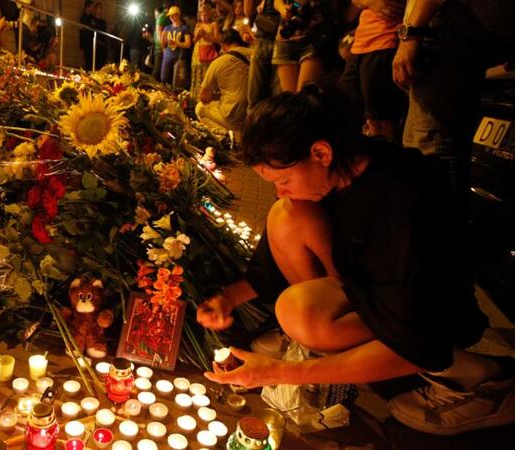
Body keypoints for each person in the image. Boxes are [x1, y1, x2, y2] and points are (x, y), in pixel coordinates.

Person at [197, 84, 515, 436]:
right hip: (371, 294)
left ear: (320, 152)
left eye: (284, 179)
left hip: (431, 318)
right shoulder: (343, 171)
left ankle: (483, 383)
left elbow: (415, 333)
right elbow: (272, 265)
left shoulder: (400, 203)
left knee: (298, 312)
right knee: (286, 214)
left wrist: (279, 372)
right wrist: (227, 299)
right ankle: (327, 351)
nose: (279, 189)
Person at [393, 0, 515, 196]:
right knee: (422, 148)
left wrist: (411, 35)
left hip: (455, 27)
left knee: (430, 151)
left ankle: (442, 224)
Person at [339, 0, 406, 142]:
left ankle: (384, 162)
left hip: (385, 41)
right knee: (346, 114)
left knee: (380, 121)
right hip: (360, 44)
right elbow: (350, 12)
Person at [195, 29, 250, 135]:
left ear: (223, 45)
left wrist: (218, 96)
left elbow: (204, 97)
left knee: (200, 108)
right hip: (258, 115)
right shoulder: (257, 55)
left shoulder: (219, 62)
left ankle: (228, 136)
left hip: (235, 118)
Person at [246, 0, 281, 109]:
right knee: (278, 96)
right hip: (279, 37)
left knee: (256, 95)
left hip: (276, 39)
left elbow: (248, 10)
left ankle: (255, 122)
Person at [191, 2, 221, 101]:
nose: (204, 15)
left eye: (206, 13)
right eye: (202, 13)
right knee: (198, 74)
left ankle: (208, 97)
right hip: (198, 52)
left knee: (207, 75)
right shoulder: (198, 24)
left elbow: (217, 39)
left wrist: (205, 35)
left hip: (209, 52)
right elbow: (193, 40)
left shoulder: (214, 24)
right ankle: (196, 98)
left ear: (209, 13)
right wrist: (198, 35)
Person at [160, 5, 191, 87]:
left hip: (179, 56)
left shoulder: (184, 28)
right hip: (168, 55)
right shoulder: (167, 28)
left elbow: (188, 44)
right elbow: (162, 44)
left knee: (177, 81)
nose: (171, 17)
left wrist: (177, 43)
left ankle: (176, 97)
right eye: (170, 16)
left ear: (178, 15)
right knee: (164, 78)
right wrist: (163, 39)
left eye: (173, 15)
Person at [79, 0, 96, 70]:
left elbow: (94, 26)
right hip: (86, 41)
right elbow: (82, 30)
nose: (93, 9)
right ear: (88, 7)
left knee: (91, 59)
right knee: (87, 59)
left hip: (92, 40)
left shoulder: (92, 17)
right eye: (92, 7)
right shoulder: (83, 17)